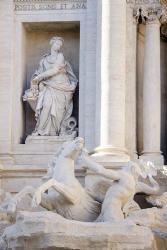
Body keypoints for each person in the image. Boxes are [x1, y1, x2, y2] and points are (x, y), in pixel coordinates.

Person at [26, 36, 78, 136]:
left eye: (60, 45)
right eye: (57, 44)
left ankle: (55, 132)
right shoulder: (44, 60)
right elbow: (38, 73)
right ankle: (40, 130)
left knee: (59, 112)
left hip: (62, 86)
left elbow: (55, 70)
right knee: (46, 105)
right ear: (52, 44)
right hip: (48, 86)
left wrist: (40, 77)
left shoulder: (60, 56)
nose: (58, 46)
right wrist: (36, 80)